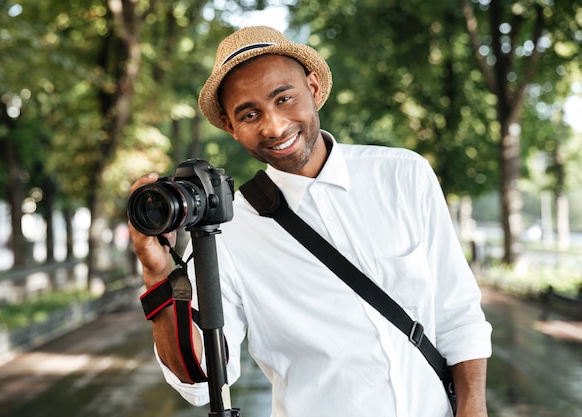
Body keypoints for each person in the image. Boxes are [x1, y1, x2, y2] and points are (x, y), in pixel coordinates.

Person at [129, 26, 492, 417]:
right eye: (249, 114)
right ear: (232, 129)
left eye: (284, 98)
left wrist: (473, 409)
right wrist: (157, 274)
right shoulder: (227, 232)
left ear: (313, 88)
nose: (274, 126)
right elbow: (200, 380)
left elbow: (458, 312)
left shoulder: (403, 176)